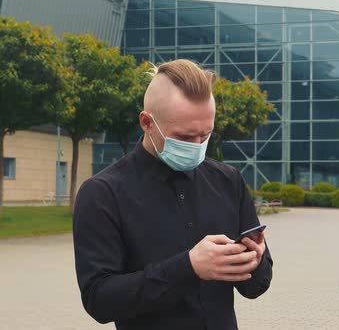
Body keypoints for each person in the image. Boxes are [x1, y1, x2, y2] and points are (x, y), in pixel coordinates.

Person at [73, 59, 273, 330]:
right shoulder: (102, 194)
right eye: (185, 137)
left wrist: (254, 261)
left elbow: (255, 287)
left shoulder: (228, 181)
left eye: (206, 135)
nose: (197, 146)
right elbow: (99, 300)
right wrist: (188, 267)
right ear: (147, 123)